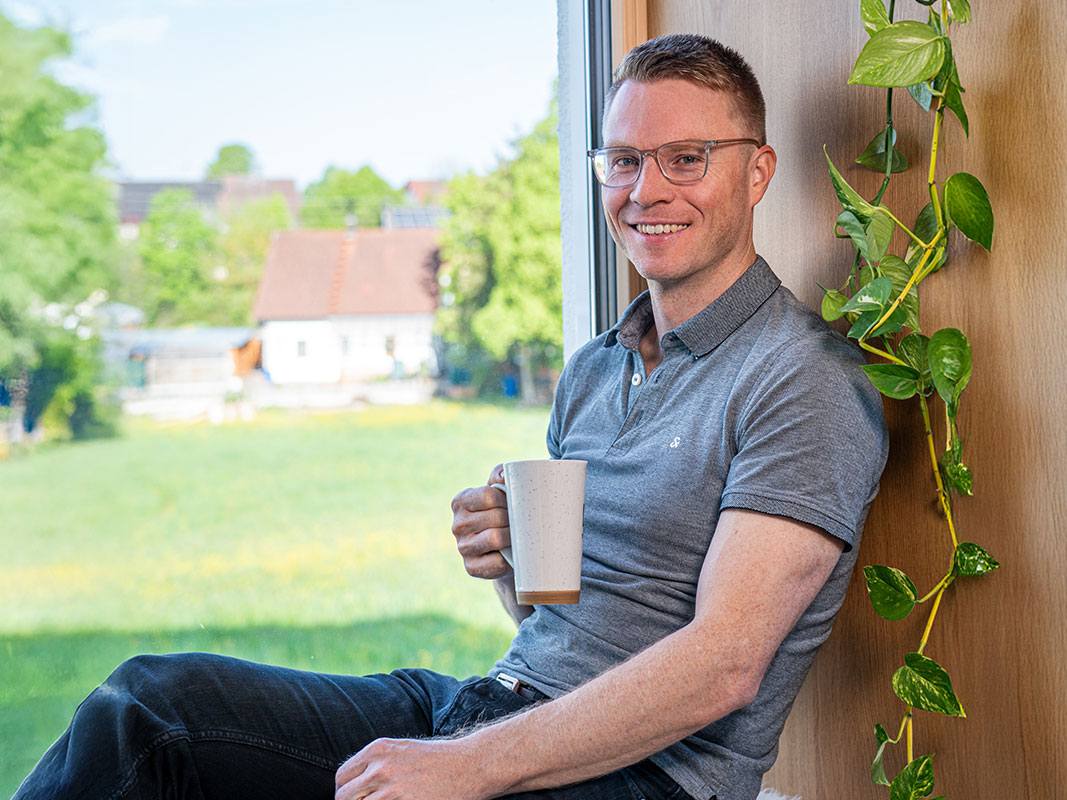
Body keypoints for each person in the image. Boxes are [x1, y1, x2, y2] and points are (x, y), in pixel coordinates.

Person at [14, 34, 886, 800]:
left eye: (684, 158)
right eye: (622, 160)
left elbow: (723, 667)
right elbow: (562, 620)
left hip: (641, 779)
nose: (644, 189)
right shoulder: (592, 369)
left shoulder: (801, 380)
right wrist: (509, 564)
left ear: (757, 170)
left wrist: (468, 766)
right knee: (149, 712)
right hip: (495, 703)